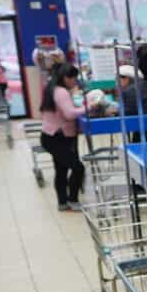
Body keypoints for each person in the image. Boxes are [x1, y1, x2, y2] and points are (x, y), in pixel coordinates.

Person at [39, 63, 88, 211]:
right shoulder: (61, 92)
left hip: (51, 136)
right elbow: (69, 114)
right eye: (72, 77)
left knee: (61, 170)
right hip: (57, 137)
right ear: (64, 77)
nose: (74, 80)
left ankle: (62, 202)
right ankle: (72, 200)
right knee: (78, 168)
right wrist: (89, 106)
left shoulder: (52, 88)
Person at [118, 64, 147, 141]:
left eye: (118, 79)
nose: (116, 82)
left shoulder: (129, 91)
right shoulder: (144, 86)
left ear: (126, 79)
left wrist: (115, 111)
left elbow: (126, 114)